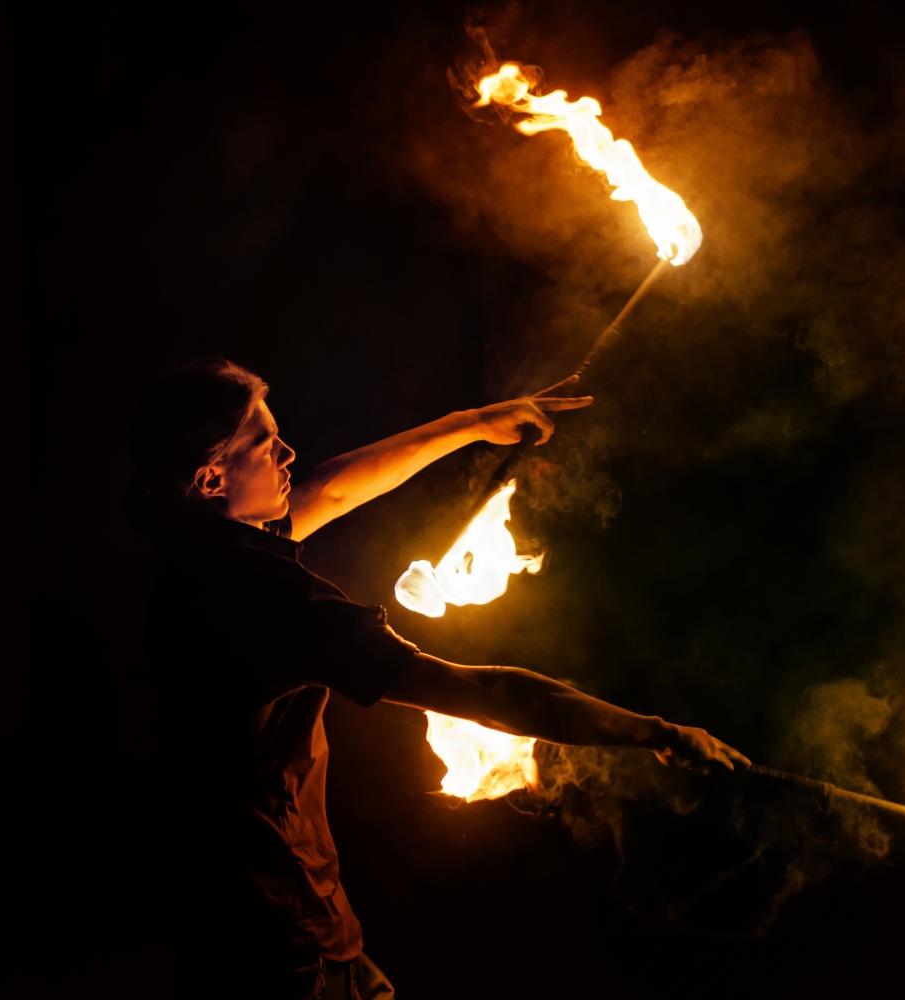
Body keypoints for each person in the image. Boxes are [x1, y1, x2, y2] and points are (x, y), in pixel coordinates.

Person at [130, 358, 748, 999]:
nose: (288, 452)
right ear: (210, 479)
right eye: (264, 445)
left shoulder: (194, 556)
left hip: (257, 928)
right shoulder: (262, 599)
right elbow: (485, 693)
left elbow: (331, 488)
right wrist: (656, 732)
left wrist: (477, 423)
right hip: (284, 950)